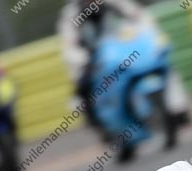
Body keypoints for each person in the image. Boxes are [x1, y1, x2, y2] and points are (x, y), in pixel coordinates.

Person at [58, 0, 146, 129]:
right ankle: (94, 119)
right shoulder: (71, 13)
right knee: (83, 82)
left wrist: (139, 31)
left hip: (119, 48)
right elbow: (68, 42)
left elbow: (134, 14)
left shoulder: (111, 2)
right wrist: (81, 57)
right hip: (91, 57)